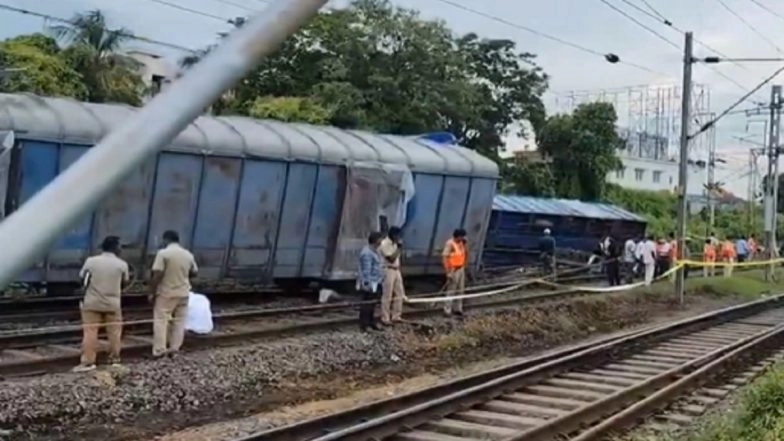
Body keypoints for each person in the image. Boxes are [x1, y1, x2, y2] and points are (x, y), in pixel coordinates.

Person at [73, 236, 130, 372]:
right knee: (115, 333)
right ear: (115, 248)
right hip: (112, 303)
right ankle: (114, 360)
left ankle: (88, 362)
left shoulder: (91, 261)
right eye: (120, 246)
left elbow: (82, 279)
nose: (121, 249)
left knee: (90, 332)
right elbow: (125, 282)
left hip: (92, 302)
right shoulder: (122, 265)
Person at [149, 230, 198, 358]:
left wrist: (152, 291)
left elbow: (157, 273)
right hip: (184, 293)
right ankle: (174, 349)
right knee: (179, 321)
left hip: (167, 292)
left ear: (166, 239)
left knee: (161, 320)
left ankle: (160, 350)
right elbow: (194, 272)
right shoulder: (188, 254)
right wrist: (183, 276)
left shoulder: (163, 253)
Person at [357, 231, 384, 332]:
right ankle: (365, 324)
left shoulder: (374, 251)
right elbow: (366, 271)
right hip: (370, 283)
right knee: (367, 304)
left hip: (376, 282)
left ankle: (371, 321)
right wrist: (367, 283)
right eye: (380, 239)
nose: (381, 242)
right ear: (376, 240)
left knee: (372, 303)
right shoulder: (367, 253)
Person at [378, 226, 405, 325]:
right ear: (393, 235)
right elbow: (391, 259)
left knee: (399, 293)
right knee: (387, 294)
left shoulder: (395, 244)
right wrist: (399, 248)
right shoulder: (385, 244)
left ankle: (396, 316)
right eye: (397, 235)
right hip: (388, 269)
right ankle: (385, 318)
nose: (398, 237)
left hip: (396, 269)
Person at [442, 229, 468, 316]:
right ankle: (447, 309)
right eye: (462, 236)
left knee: (460, 290)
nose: (463, 238)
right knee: (451, 290)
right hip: (453, 270)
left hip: (461, 268)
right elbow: (445, 258)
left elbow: (465, 253)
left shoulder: (462, 243)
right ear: (458, 236)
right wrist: (448, 272)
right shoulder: (450, 244)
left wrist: (465, 244)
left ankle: (458, 308)